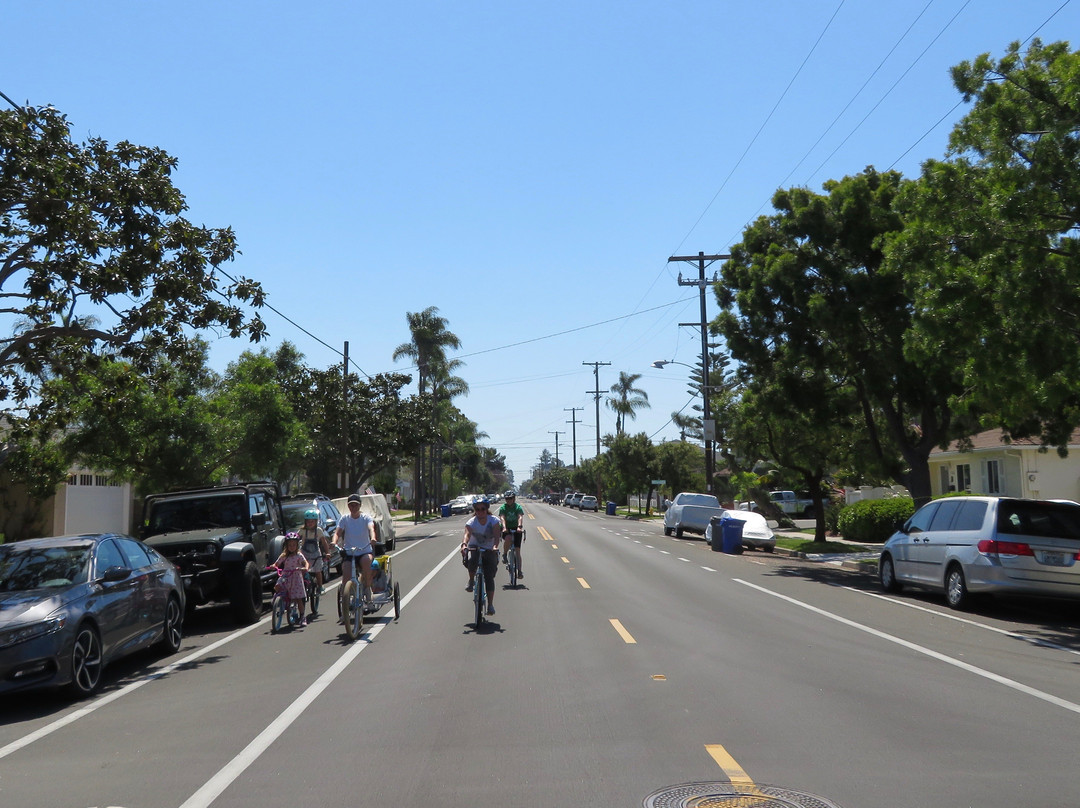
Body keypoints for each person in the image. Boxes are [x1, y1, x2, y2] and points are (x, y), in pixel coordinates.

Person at [334, 493, 377, 616]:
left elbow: (371, 528)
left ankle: (368, 594)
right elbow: (337, 532)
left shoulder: (366, 518)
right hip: (349, 552)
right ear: (348, 507)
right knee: (346, 572)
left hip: (364, 550)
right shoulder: (344, 519)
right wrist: (334, 541)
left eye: (356, 505)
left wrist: (373, 537)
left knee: (367, 562)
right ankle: (346, 602)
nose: (353, 507)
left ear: (360, 506)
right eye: (351, 505)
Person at [461, 497, 500, 615]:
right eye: (477, 509)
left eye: (482, 509)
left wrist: (494, 546)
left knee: (489, 577)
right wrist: (464, 545)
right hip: (475, 547)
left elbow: (497, 536)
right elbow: (467, 534)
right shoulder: (472, 522)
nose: (480, 511)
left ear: (487, 509)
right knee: (472, 560)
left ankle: (490, 605)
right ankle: (472, 580)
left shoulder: (493, 520)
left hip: (489, 549)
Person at [297, 508, 332, 611]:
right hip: (304, 553)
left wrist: (327, 552)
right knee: (302, 571)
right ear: (305, 522)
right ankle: (301, 585)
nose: (310, 523)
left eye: (312, 521)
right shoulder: (302, 531)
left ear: (316, 522)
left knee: (318, 571)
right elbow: (296, 539)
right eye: (308, 521)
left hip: (316, 554)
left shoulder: (319, 531)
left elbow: (324, 542)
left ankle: (320, 586)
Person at [273, 532, 310, 624]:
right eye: (290, 545)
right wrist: (274, 565)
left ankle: (302, 616)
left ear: (297, 545)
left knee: (298, 598)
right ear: (286, 546)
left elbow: (306, 563)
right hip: (286, 575)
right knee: (278, 586)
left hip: (296, 576)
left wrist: (305, 567)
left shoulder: (299, 555)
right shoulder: (284, 555)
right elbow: (277, 563)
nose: (292, 547)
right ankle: (280, 601)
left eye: (294, 545)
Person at [498, 490, 526, 579]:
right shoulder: (503, 507)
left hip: (516, 528)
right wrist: (504, 527)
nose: (508, 500)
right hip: (506, 528)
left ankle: (520, 571)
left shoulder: (518, 507)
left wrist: (519, 526)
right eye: (507, 499)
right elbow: (502, 518)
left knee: (517, 550)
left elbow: (520, 517)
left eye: (510, 498)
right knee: (508, 538)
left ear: (514, 499)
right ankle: (505, 554)